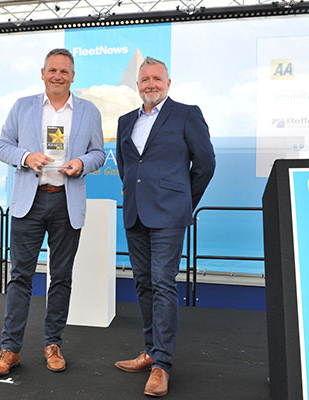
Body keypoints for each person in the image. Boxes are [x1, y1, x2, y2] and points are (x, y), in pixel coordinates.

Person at [0, 48, 105, 376]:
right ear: (42, 73)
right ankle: (10, 349)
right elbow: (2, 146)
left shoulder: (88, 111)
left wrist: (82, 162)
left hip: (67, 202)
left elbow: (99, 153)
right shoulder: (22, 106)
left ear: (73, 76)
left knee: (61, 278)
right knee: (20, 277)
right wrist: (26, 157)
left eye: (64, 71)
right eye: (52, 70)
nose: (57, 76)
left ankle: (53, 344)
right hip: (30, 201)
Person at [113, 57, 215, 397]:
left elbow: (205, 164)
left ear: (168, 83)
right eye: (145, 79)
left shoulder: (187, 114)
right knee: (143, 283)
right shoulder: (126, 120)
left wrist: (183, 200)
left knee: (162, 283)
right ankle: (150, 350)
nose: (151, 84)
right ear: (137, 85)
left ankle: (162, 365)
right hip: (135, 213)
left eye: (157, 78)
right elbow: (126, 166)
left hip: (169, 215)